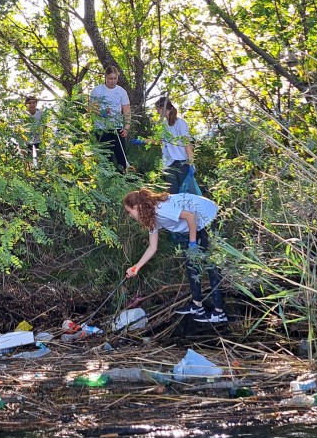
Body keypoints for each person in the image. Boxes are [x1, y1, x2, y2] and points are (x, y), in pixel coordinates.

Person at [123, 188, 227, 323]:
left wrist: (193, 243)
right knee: (191, 262)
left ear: (136, 207)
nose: (130, 216)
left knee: (211, 263)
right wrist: (137, 267)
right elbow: (152, 247)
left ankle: (219, 313)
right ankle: (197, 306)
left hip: (210, 216)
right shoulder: (151, 218)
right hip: (198, 223)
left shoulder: (160, 209)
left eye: (129, 212)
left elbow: (190, 216)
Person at [90, 66, 131, 170]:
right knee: (105, 158)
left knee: (121, 157)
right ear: (105, 77)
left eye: (115, 78)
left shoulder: (122, 92)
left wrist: (126, 127)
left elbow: (126, 110)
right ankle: (106, 182)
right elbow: (90, 108)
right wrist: (102, 113)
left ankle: (123, 179)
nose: (112, 81)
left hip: (117, 128)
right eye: (110, 78)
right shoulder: (97, 90)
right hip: (101, 128)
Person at [153, 97, 194, 194]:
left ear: (162, 108)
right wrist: (143, 141)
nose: (157, 112)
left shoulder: (180, 123)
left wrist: (191, 162)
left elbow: (186, 142)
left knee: (185, 193)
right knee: (173, 193)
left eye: (157, 109)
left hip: (182, 163)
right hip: (169, 164)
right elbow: (160, 141)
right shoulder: (164, 124)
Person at [24, 95, 43, 165]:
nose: (32, 104)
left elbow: (44, 124)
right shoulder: (23, 114)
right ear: (26, 104)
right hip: (27, 140)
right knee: (28, 159)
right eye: (29, 103)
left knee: (38, 158)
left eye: (34, 103)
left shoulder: (40, 112)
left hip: (38, 139)